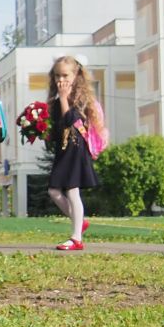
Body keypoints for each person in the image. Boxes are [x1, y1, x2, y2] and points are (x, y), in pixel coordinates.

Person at [45, 56, 104, 251]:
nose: (60, 80)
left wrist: (63, 99)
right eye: (57, 76)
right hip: (63, 149)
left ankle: (76, 238)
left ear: (76, 74)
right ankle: (79, 222)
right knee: (53, 190)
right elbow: (58, 125)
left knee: (71, 190)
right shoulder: (56, 98)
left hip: (77, 149)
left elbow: (71, 120)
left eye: (65, 75)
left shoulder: (81, 99)